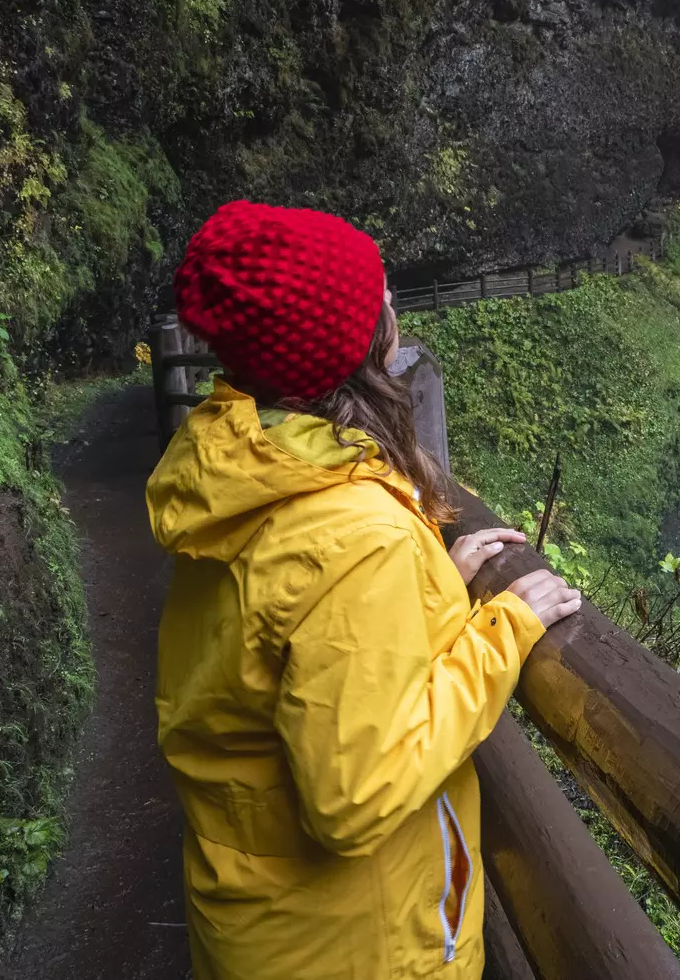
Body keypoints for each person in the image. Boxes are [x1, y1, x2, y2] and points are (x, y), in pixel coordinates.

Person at [147, 200, 582, 979]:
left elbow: (289, 641)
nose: (391, 306)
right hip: (360, 942)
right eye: (378, 298)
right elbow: (357, 791)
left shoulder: (247, 473)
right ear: (341, 348)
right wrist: (503, 628)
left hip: (267, 925)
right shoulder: (350, 535)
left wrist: (428, 590)